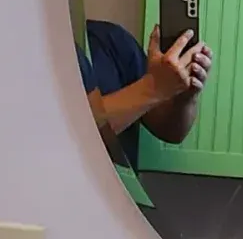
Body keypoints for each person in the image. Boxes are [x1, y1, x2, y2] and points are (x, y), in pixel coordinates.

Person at [81, 18, 213, 167]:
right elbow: (70, 132)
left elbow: (171, 133)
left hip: (117, 186)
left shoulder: (110, 39)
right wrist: (154, 87)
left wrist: (184, 96)